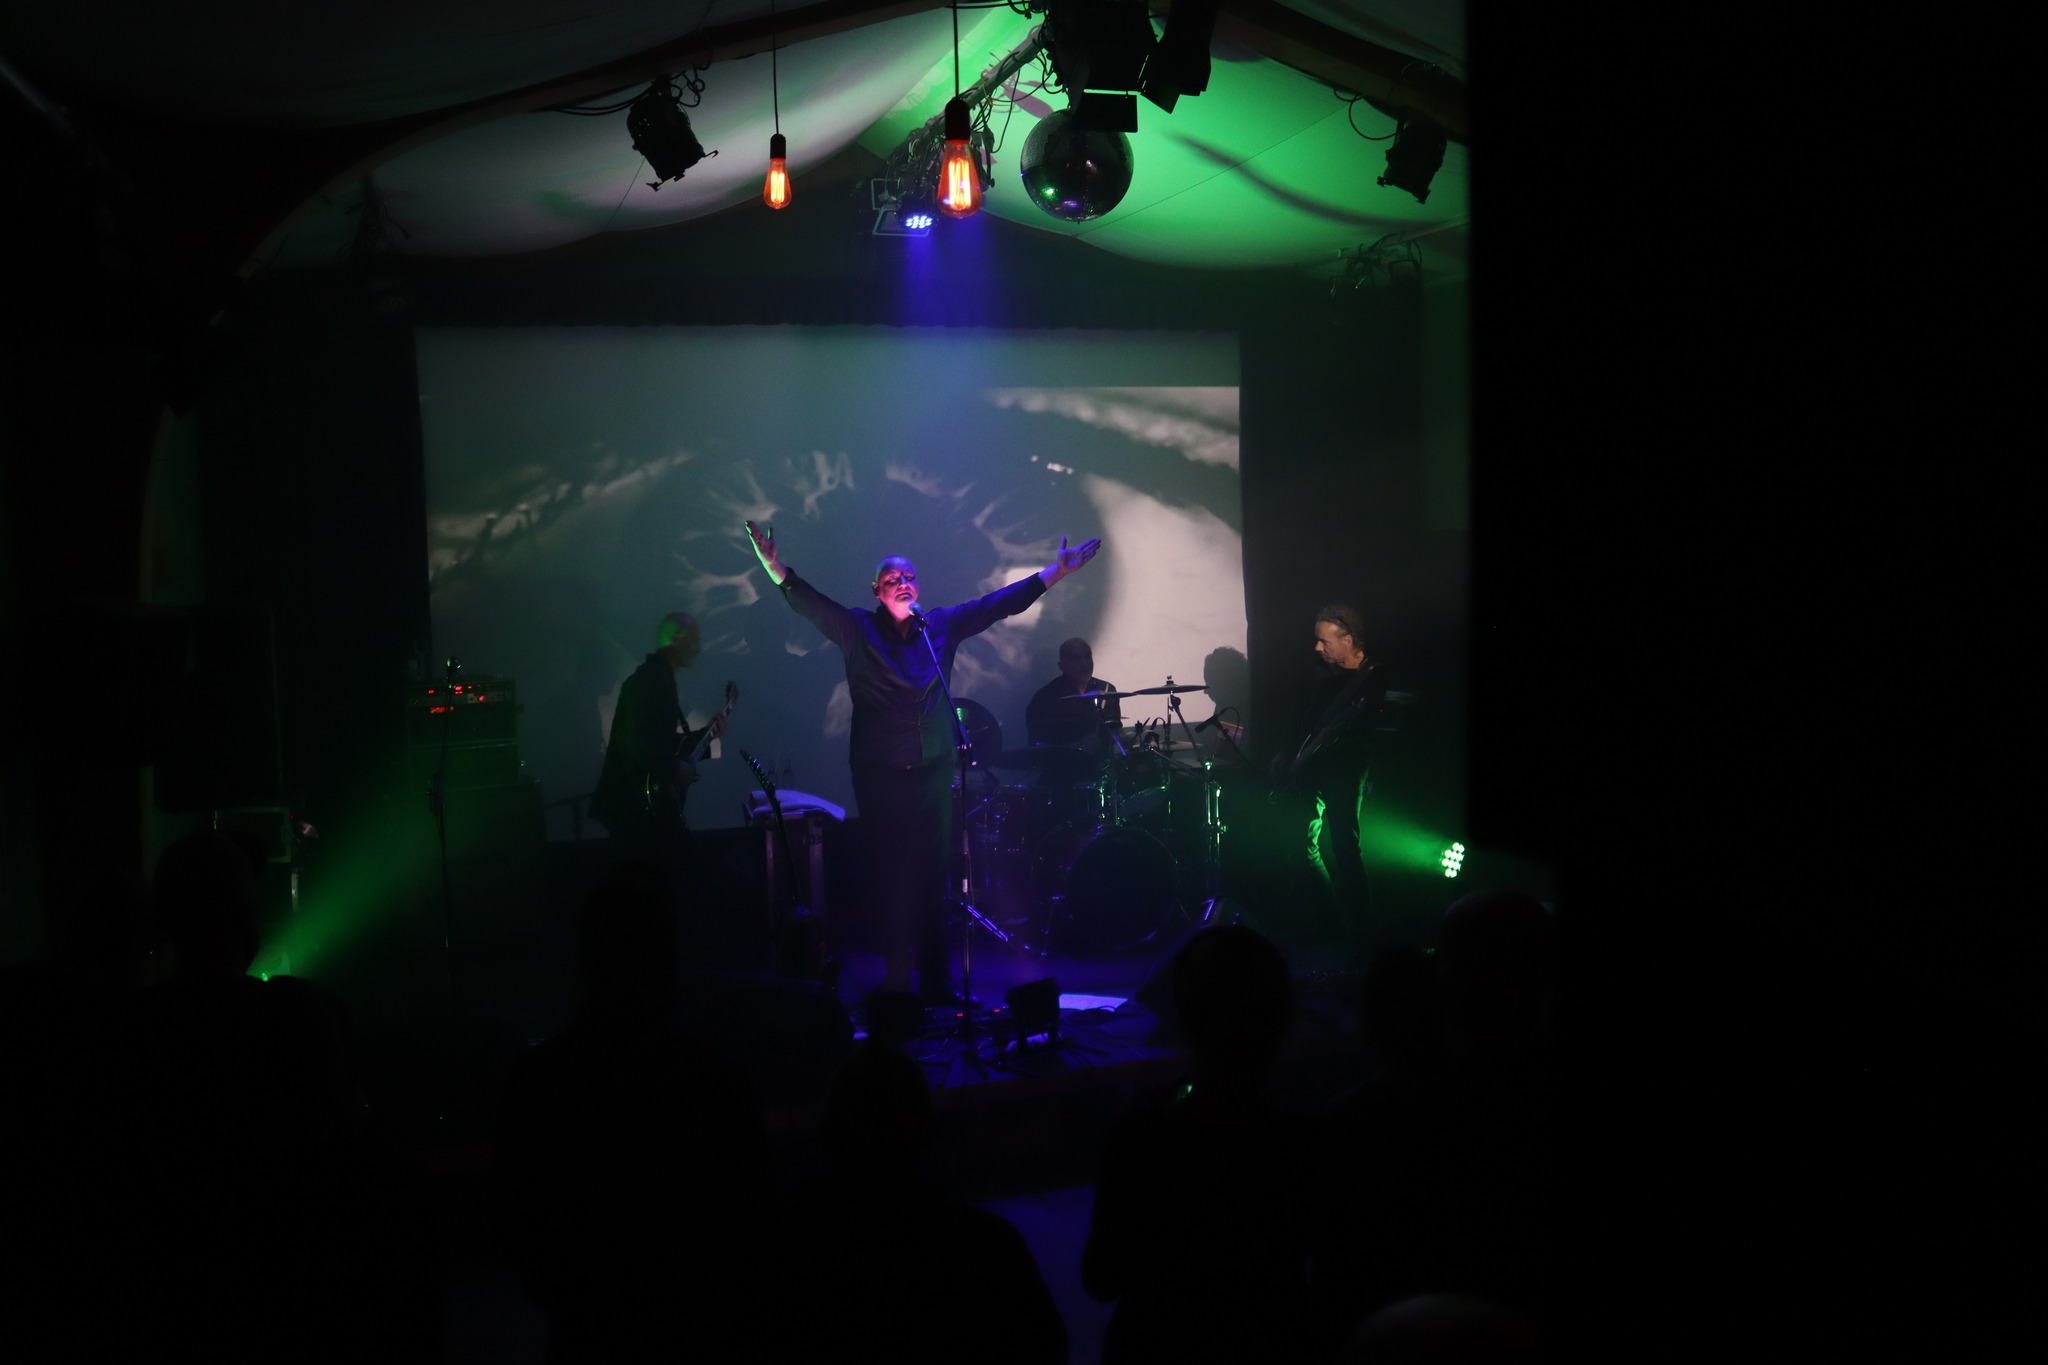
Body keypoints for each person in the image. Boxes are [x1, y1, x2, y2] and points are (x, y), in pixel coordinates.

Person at [744, 519, 1100, 1002]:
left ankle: (936, 980)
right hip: (880, 773)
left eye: (909, 577)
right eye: (892, 579)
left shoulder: (940, 628)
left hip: (932, 770)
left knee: (934, 877)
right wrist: (774, 567)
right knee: (891, 877)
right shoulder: (857, 629)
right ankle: (896, 977)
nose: (903, 583)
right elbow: (810, 602)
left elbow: (996, 604)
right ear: (876, 589)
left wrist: (1054, 574)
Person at [589, 612, 729, 864]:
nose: (698, 648)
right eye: (694, 640)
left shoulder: (655, 678)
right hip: (635, 811)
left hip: (636, 810)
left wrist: (706, 734)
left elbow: (658, 740)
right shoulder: (652, 681)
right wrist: (673, 767)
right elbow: (635, 740)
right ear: (677, 639)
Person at [1285, 603, 1388, 926]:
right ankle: (1328, 913)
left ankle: (1361, 925)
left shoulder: (1373, 676)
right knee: (1303, 845)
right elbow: (1306, 718)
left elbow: (1374, 726)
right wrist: (1287, 753)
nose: (1318, 648)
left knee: (1345, 848)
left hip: (1346, 771)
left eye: (1324, 641)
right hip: (1311, 766)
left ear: (1348, 640)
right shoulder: (1322, 673)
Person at [1025, 637, 1122, 749]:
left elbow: (1115, 729)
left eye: (1087, 656)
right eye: (1076, 658)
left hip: (1104, 759)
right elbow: (1037, 745)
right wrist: (1074, 747)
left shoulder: (1107, 690)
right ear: (1061, 666)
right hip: (1063, 760)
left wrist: (1124, 739)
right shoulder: (1044, 698)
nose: (1084, 664)